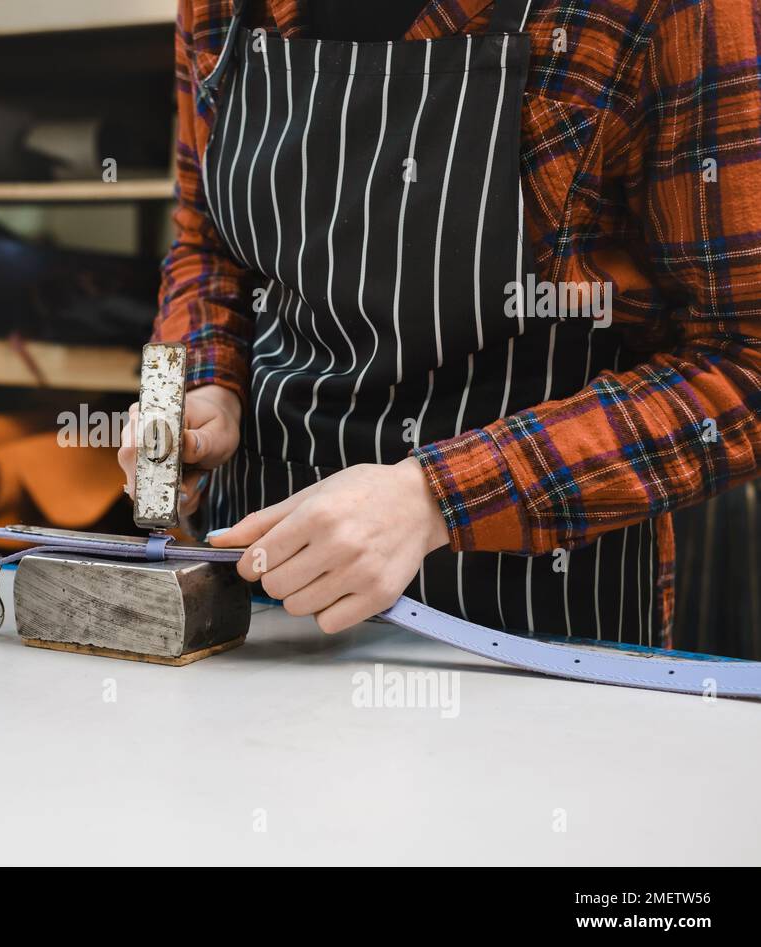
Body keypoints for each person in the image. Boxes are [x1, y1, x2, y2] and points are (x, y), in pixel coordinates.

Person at [119, 0, 761, 645]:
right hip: (258, 582)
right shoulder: (218, 9)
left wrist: (436, 497)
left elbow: (746, 360)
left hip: (533, 609)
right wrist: (201, 381)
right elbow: (206, 243)